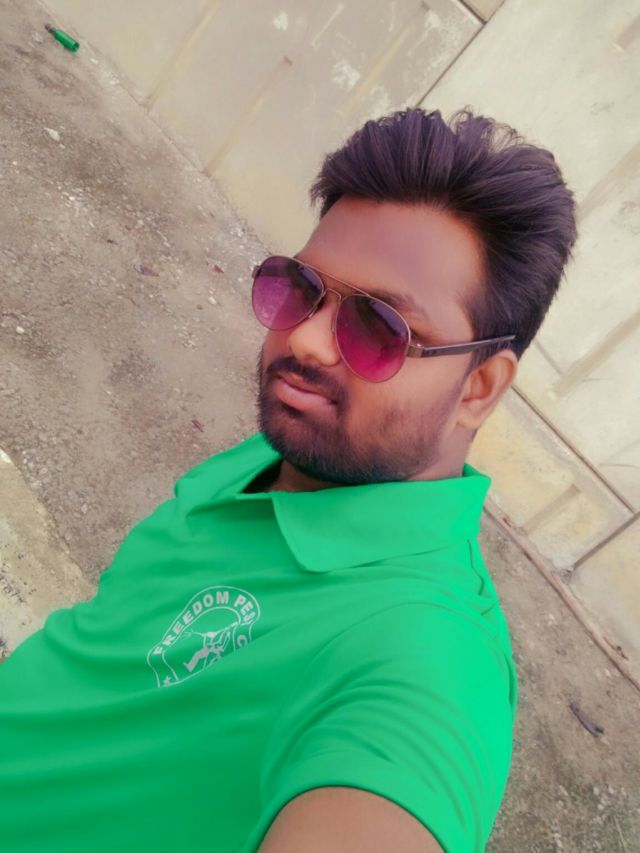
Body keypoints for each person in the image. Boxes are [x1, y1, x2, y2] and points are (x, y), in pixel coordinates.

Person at [0, 108, 576, 852]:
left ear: (479, 387)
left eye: (380, 328)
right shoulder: (297, 452)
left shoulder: (426, 660)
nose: (304, 339)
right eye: (302, 288)